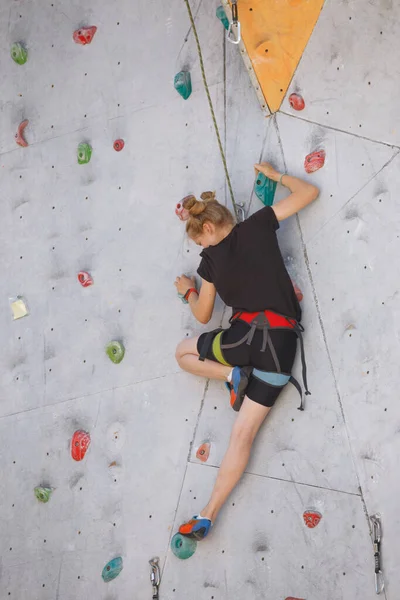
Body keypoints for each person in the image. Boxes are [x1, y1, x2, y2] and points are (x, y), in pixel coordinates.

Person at [174, 162, 319, 541]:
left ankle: (230, 376)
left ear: (207, 228)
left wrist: (189, 289)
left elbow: (204, 316)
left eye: (200, 243)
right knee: (244, 435)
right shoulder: (259, 223)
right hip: (282, 349)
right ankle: (206, 514)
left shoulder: (208, 264)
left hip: (245, 341)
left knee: (182, 353)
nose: (202, 249)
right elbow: (309, 194)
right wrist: (275, 176)